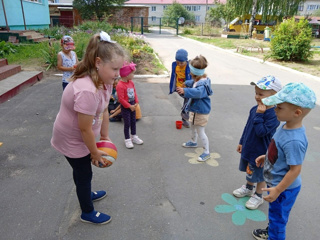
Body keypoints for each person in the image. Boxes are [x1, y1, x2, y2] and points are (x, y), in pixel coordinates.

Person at [51, 31, 125, 224]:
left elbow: (104, 111)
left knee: (83, 173)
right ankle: (87, 212)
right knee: (84, 173)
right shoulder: (87, 90)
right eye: (115, 69)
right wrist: (94, 152)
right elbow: (84, 129)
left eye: (120, 69)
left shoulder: (105, 81)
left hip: (83, 136)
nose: (118, 74)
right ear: (98, 63)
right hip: (72, 139)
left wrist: (105, 137)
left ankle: (86, 193)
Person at [252, 82, 316, 240]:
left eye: (279, 107)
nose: (274, 109)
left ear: (297, 112)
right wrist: (266, 157)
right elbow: (278, 150)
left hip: (283, 188)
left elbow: (295, 170)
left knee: (278, 220)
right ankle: (271, 230)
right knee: (274, 215)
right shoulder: (286, 125)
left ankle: (274, 235)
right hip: (276, 184)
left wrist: (278, 190)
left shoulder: (294, 140)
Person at [233, 75, 282, 210]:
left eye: (261, 94)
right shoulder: (255, 109)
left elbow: (261, 132)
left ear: (274, 95)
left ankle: (258, 195)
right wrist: (242, 141)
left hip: (262, 151)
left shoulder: (274, 115)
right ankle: (249, 188)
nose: (257, 96)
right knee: (250, 170)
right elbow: (248, 126)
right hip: (249, 147)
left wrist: (260, 115)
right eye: (256, 93)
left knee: (260, 175)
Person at [176, 55, 213, 162]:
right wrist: (186, 84)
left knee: (201, 131)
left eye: (190, 73)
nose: (189, 74)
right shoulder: (200, 79)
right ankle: (193, 141)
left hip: (201, 112)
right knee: (193, 125)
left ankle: (206, 152)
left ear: (194, 73)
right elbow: (193, 83)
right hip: (195, 110)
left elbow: (198, 92)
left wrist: (185, 91)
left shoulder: (203, 84)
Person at [116, 61, 143, 149]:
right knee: (127, 123)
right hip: (126, 106)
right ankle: (127, 139)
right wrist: (129, 106)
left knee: (133, 121)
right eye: (132, 74)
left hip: (133, 105)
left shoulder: (131, 82)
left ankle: (134, 136)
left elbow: (134, 92)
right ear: (127, 74)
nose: (133, 76)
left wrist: (136, 102)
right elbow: (121, 99)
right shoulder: (120, 85)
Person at [169, 49, 192, 128]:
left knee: (189, 100)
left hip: (187, 88)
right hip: (179, 88)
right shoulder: (175, 65)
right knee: (189, 99)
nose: (179, 64)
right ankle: (184, 115)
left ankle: (185, 118)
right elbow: (173, 76)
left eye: (181, 63)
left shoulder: (189, 67)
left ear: (186, 61)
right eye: (177, 62)